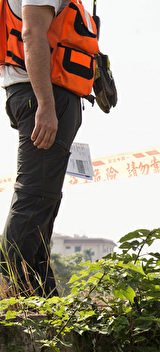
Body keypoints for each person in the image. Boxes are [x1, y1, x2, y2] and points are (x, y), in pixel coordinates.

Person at [0, 0, 99, 296]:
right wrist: (45, 104)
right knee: (34, 198)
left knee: (44, 200)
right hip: (42, 95)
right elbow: (32, 34)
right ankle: (16, 292)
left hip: (45, 94)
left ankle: (41, 294)